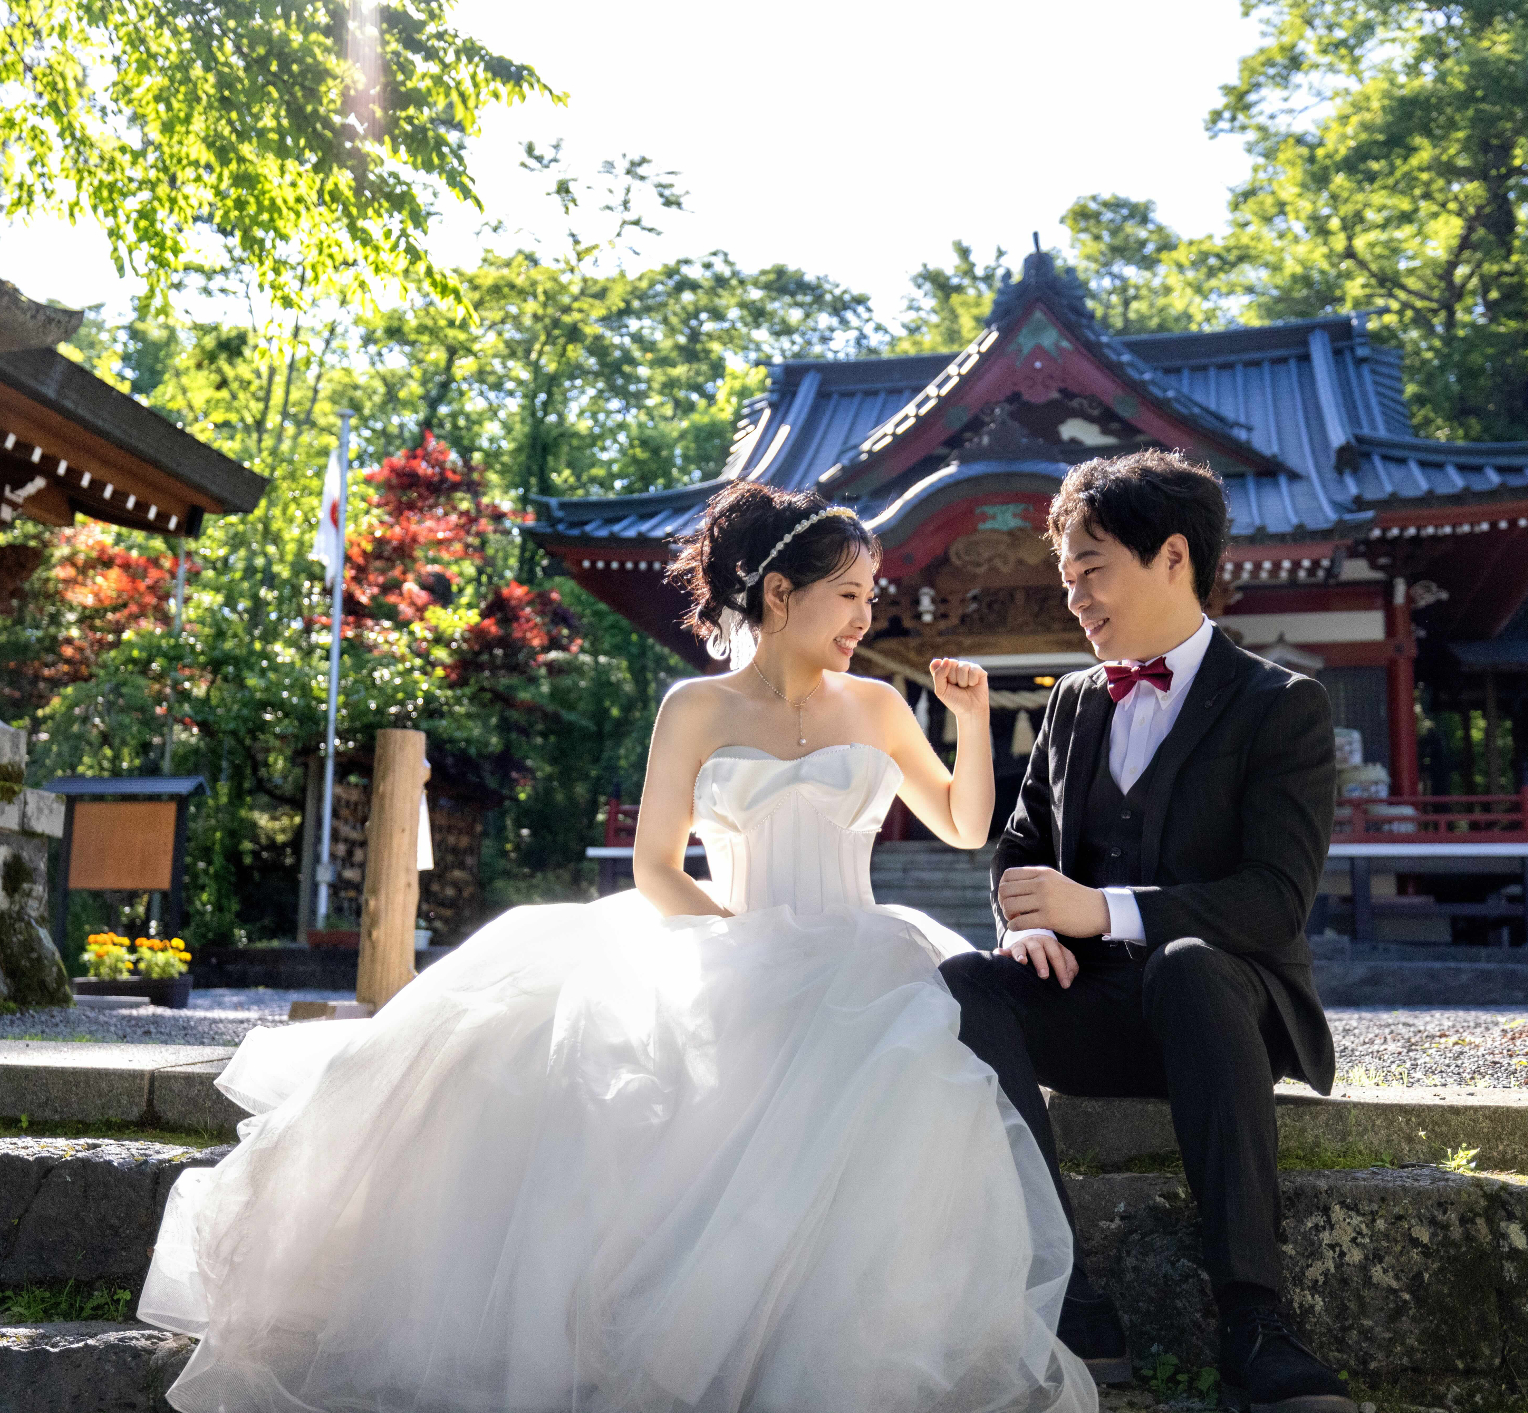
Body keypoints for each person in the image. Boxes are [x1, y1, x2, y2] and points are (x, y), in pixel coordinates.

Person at [139, 480, 1098, 1413]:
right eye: (848, 593)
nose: (864, 614)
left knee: (906, 1088)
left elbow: (967, 827)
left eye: (870, 594)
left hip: (864, 953)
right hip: (727, 942)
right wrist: (743, 951)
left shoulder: (880, 708)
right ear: (779, 594)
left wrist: (972, 723)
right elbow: (654, 866)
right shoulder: (696, 707)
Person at [939, 450, 1353, 1413]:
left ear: (1174, 557)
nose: (1075, 599)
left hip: (1224, 1017)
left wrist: (1106, 910)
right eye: (1067, 577)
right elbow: (1020, 843)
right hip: (1095, 1015)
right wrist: (1024, 917)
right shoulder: (1077, 702)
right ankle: (1073, 1294)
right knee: (964, 985)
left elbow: (1273, 900)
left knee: (1192, 966)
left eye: (1093, 571)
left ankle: (1255, 1320)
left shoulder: (1282, 705)